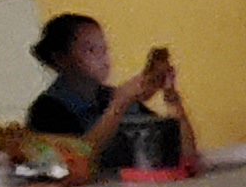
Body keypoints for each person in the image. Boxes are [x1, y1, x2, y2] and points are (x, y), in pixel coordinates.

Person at [20, 11, 188, 165]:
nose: (103, 57)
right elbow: (76, 161)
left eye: (104, 48)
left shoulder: (115, 97)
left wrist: (171, 96)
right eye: (91, 50)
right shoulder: (47, 110)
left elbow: (184, 154)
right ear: (61, 58)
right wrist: (118, 105)